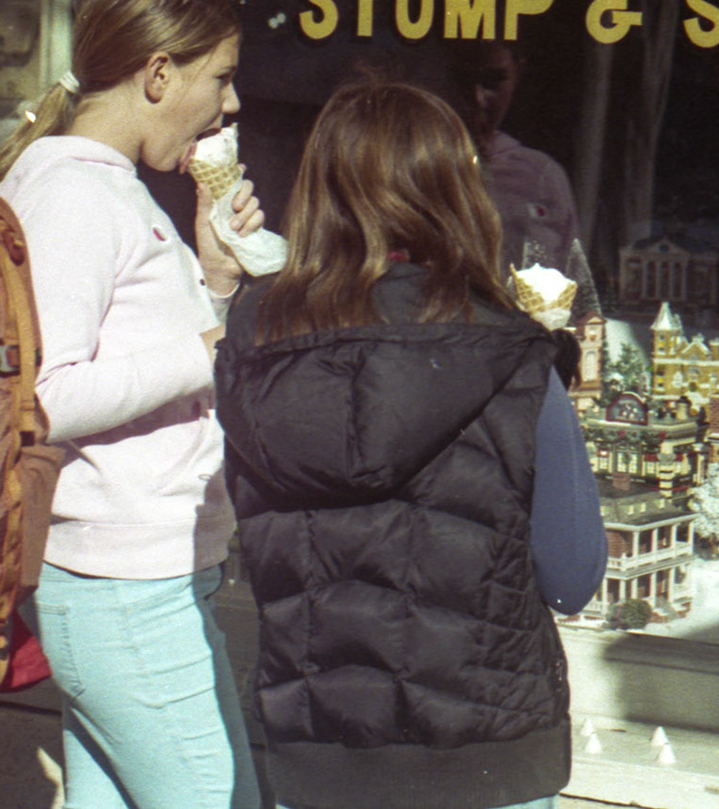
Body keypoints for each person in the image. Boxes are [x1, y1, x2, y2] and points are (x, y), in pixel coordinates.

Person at [214, 80, 604, 809]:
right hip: (486, 758)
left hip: (316, 757)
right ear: (457, 192)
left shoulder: (257, 343)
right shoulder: (515, 355)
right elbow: (572, 574)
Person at [0, 0, 265, 809]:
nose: (231, 105)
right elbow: (47, 397)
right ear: (156, 74)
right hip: (125, 588)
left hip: (126, 582)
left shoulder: (103, 190)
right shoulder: (75, 194)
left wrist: (213, 279)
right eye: (219, 78)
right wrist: (211, 345)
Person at [450, 41, 580, 271]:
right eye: (464, 82)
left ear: (517, 75)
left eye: (494, 82)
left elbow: (572, 280)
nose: (478, 99)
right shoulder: (418, 168)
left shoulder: (541, 177)